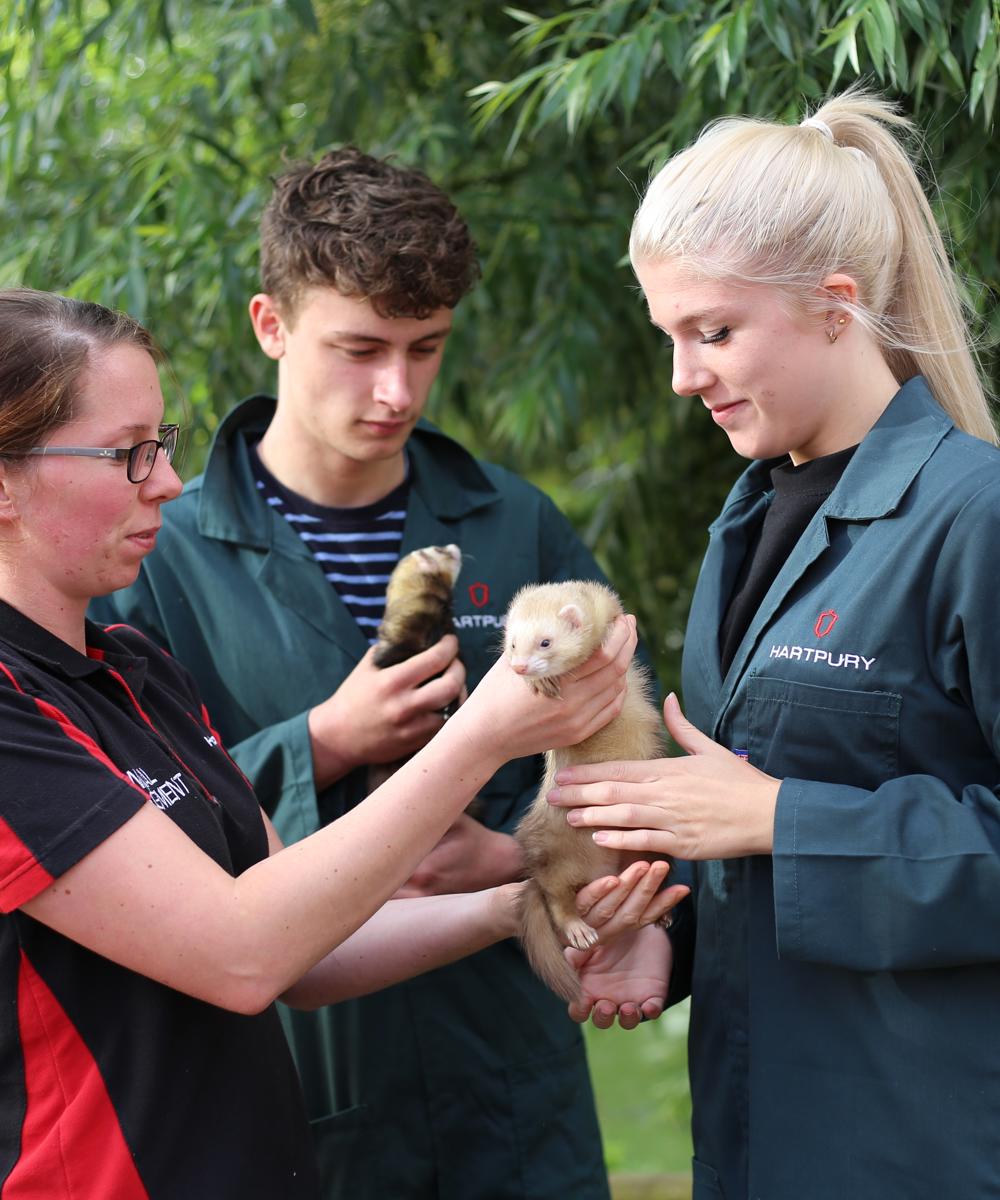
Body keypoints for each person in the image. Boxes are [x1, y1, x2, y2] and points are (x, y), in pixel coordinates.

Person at [0, 286, 681, 1199]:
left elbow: (306, 949)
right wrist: (483, 733)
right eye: (127, 454)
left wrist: (537, 907)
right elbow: (242, 953)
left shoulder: (132, 669)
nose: (165, 480)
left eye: (160, 446)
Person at [547, 90, 1000, 1199]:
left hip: (923, 1149)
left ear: (836, 306)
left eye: (714, 332)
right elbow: (755, 843)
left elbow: (777, 816)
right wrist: (671, 937)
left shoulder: (977, 517)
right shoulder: (746, 526)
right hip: (753, 1139)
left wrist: (777, 819)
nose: (681, 378)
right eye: (669, 336)